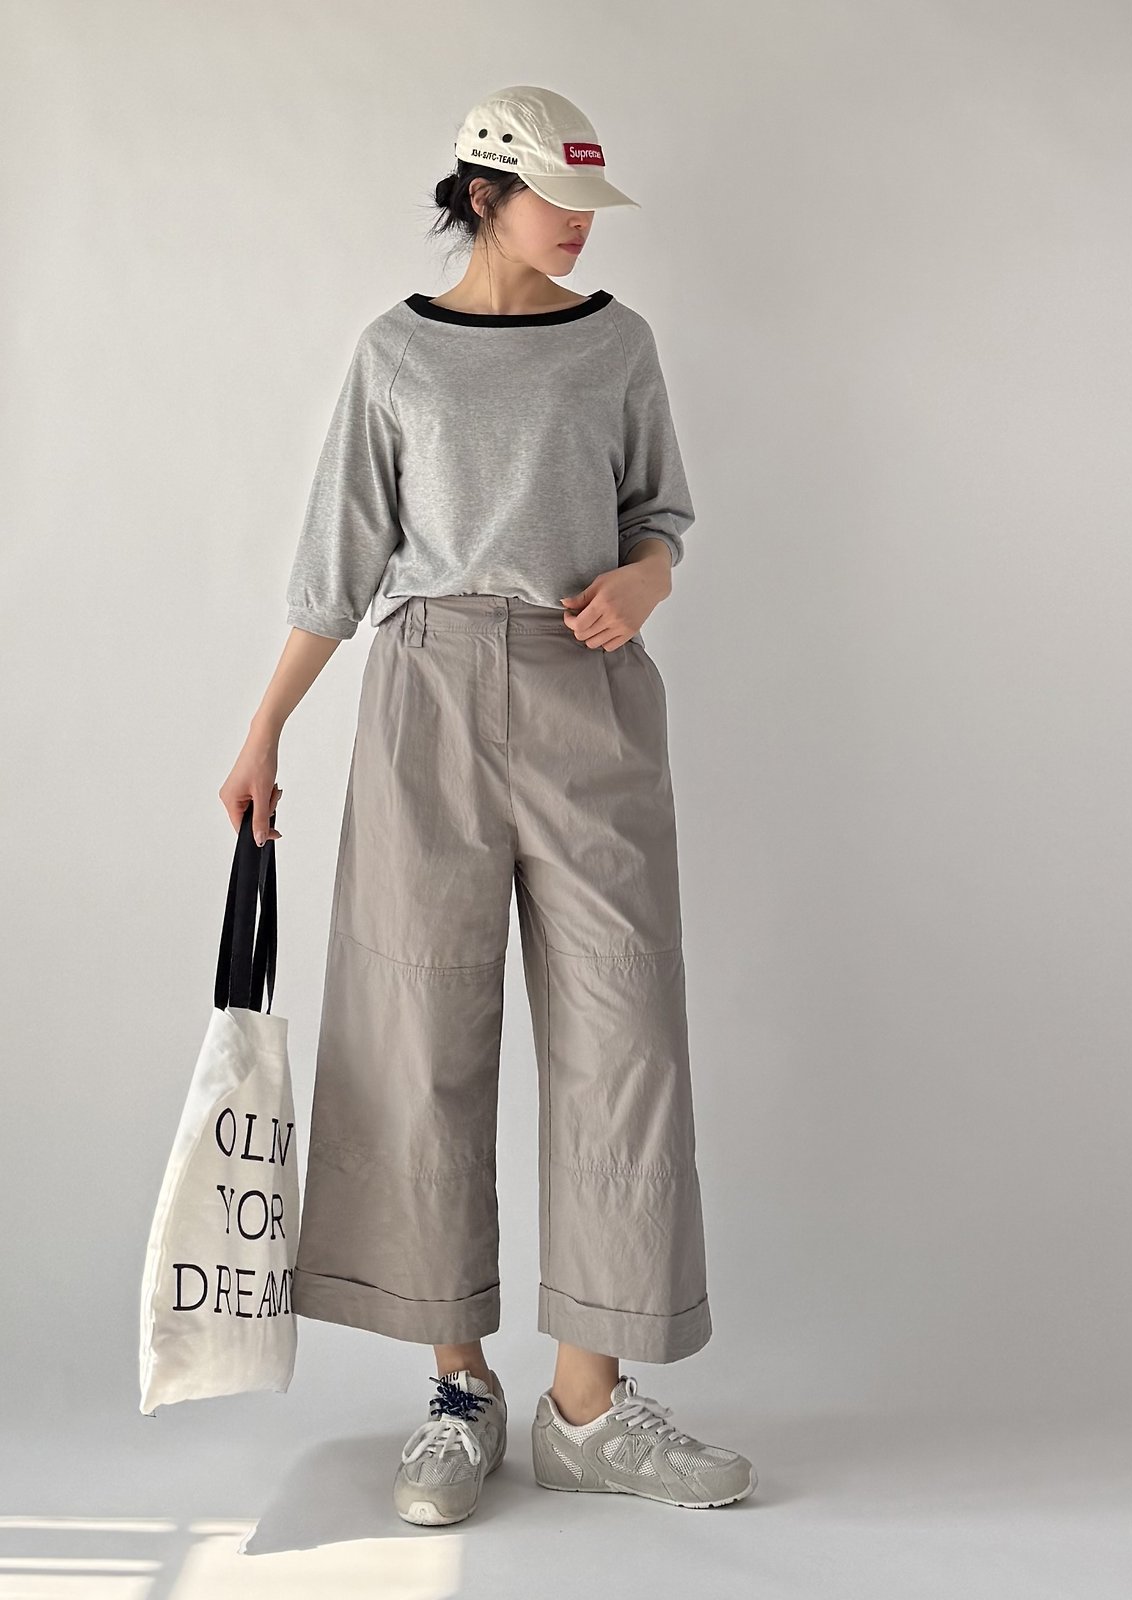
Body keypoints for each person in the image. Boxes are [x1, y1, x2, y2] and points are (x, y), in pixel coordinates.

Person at [219, 85, 757, 1525]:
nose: (582, 227)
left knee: (623, 1035)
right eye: (558, 203)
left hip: (591, 691)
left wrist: (644, 580)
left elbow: (662, 518)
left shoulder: (619, 344)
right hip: (429, 696)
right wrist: (266, 729)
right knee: (419, 1032)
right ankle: (459, 1385)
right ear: (483, 195)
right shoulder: (395, 352)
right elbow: (338, 563)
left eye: (590, 206)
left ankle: (588, 1406)